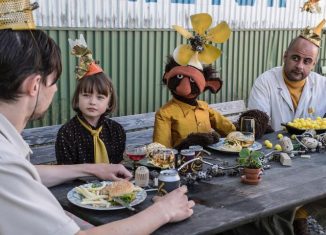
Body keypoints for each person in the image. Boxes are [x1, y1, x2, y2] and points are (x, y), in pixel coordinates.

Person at [0, 3, 194, 235]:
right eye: (53, 82)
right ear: (34, 85)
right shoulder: (5, 163)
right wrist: (164, 211)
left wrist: (94, 169)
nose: (54, 90)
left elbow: (29, 173)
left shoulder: (9, 158)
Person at [153, 13, 235, 149]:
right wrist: (187, 144)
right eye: (179, 77)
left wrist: (247, 128)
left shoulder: (205, 108)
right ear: (167, 77)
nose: (184, 85)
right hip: (182, 165)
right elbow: (161, 151)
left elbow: (231, 130)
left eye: (192, 80)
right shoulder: (165, 113)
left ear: (209, 85)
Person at [56, 35, 125, 164]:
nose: (92, 102)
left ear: (109, 102)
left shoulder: (116, 131)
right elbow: (65, 172)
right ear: (77, 98)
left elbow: (117, 165)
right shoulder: (67, 134)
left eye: (100, 97)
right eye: (86, 95)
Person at [248, 19, 326, 131]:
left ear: (313, 64)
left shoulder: (323, 85)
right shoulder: (265, 82)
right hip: (273, 147)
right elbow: (258, 126)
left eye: (307, 61)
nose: (299, 66)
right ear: (285, 56)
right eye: (295, 58)